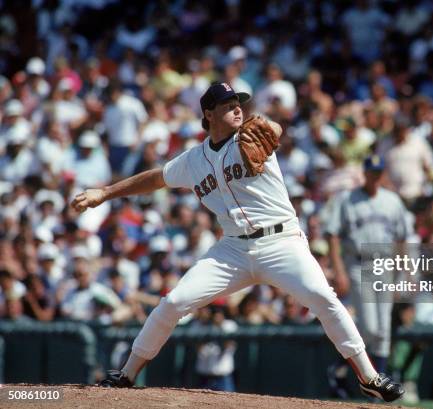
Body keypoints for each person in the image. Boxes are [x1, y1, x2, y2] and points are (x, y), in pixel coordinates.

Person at [71, 83, 404, 402]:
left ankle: (369, 377)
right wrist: (105, 193)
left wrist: (272, 125)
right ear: (208, 114)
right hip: (232, 250)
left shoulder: (250, 136)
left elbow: (272, 128)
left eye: (238, 106)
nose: (237, 111)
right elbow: (157, 178)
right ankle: (127, 375)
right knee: (173, 303)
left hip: (281, 242)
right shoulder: (193, 161)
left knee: (322, 296)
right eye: (228, 107)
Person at [326, 155, 410, 374]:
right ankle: (341, 368)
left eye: (378, 172)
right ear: (364, 173)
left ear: (382, 174)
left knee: (383, 330)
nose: (374, 176)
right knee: (370, 327)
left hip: (386, 266)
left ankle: (376, 382)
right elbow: (332, 235)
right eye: (371, 172)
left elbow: (402, 239)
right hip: (358, 265)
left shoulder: (392, 200)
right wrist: (339, 270)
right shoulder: (347, 199)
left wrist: (404, 273)